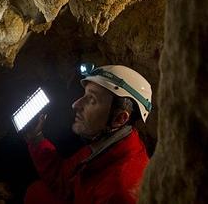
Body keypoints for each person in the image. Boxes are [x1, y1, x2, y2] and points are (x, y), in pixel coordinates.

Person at [24, 64, 152, 204]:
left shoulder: (120, 191)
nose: (75, 104)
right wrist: (36, 138)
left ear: (119, 119)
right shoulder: (106, 146)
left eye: (92, 100)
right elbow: (63, 179)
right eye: (84, 94)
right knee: (37, 192)